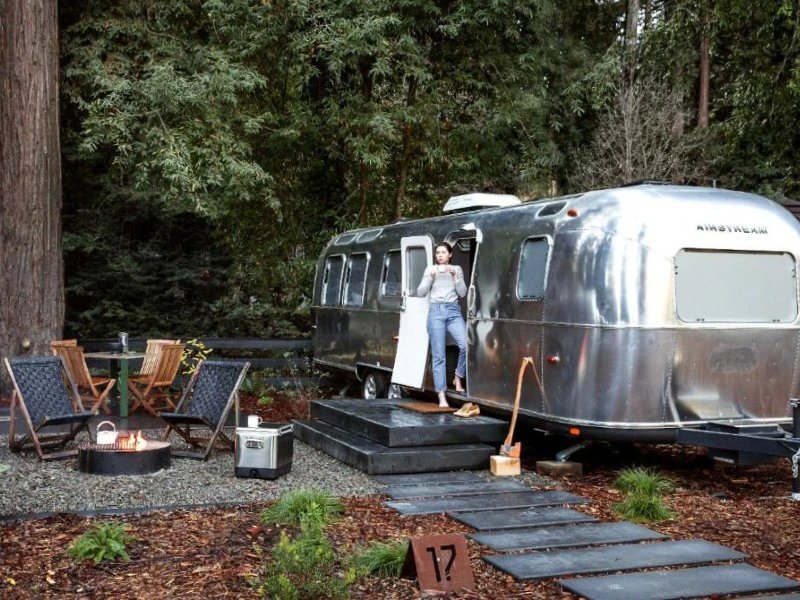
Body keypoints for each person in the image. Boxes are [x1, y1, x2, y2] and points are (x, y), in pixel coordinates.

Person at [416, 242, 468, 407]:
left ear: (450, 254)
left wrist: (455, 276)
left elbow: (463, 293)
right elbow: (420, 292)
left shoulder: (457, 269)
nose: (440, 255)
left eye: (443, 252)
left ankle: (458, 376)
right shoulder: (430, 270)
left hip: (453, 311)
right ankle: (441, 395)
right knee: (439, 356)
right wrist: (430, 277)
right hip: (436, 312)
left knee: (466, 345)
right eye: (437, 253)